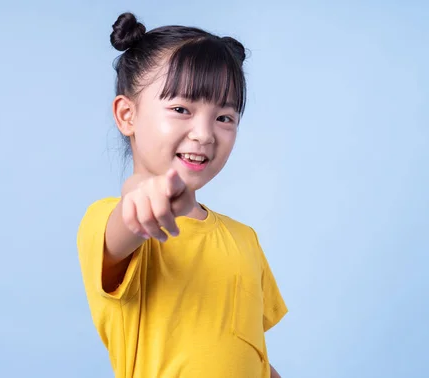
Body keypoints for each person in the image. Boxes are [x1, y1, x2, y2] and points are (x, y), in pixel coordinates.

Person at [77, 12, 287, 378]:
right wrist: (142, 192)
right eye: (180, 109)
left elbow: (251, 355)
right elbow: (130, 216)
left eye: (225, 117)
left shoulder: (244, 239)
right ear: (127, 115)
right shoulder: (113, 222)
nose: (205, 133)